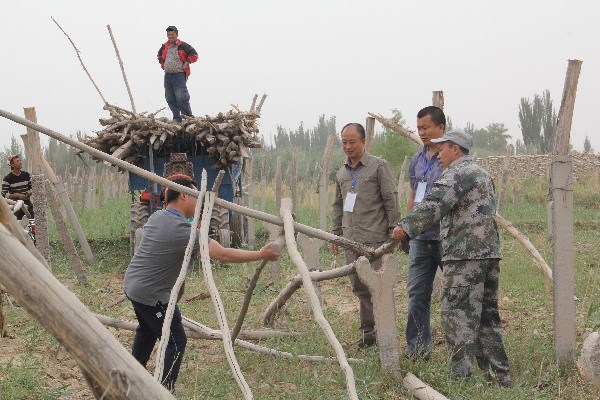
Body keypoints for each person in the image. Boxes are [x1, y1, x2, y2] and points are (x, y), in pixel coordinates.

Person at [124, 176, 280, 390]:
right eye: (197, 195)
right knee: (176, 341)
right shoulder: (181, 230)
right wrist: (261, 253)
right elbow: (223, 254)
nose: (200, 200)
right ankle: (162, 390)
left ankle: (133, 376)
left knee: (147, 330)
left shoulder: (158, 216)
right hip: (151, 295)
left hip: (134, 286)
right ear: (184, 195)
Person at [391, 129, 512, 387]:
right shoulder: (482, 173)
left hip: (464, 257)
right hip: (489, 254)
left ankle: (460, 379)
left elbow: (433, 206)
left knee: (457, 314)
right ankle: (499, 376)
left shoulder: (456, 174)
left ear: (455, 149)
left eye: (442, 149)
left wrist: (405, 227)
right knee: (486, 316)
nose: (438, 156)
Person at [331, 123, 399, 348]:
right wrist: (336, 235)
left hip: (375, 240)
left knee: (378, 288)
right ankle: (368, 336)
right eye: (344, 142)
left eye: (352, 141)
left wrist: (394, 233)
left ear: (363, 142)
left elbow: (390, 198)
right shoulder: (342, 172)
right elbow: (338, 205)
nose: (348, 146)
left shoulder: (378, 166)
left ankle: (386, 334)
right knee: (360, 288)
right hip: (351, 240)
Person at [404, 106, 445, 359]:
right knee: (417, 295)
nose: (421, 132)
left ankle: (460, 354)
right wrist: (408, 227)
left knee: (455, 297)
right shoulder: (418, 159)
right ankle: (417, 350)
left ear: (440, 128)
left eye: (426, 127)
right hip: (421, 239)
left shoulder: (450, 158)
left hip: (446, 238)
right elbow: (413, 194)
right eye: (419, 128)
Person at [157, 26, 198, 122]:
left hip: (179, 74)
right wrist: (162, 63)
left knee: (181, 97)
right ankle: (177, 118)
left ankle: (187, 117)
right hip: (167, 75)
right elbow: (159, 55)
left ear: (177, 35)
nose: (170, 36)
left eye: (172, 34)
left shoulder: (183, 45)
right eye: (169, 35)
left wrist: (187, 62)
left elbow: (194, 55)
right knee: (170, 97)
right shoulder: (164, 46)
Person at [2, 155, 34, 220]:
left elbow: (31, 187)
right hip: (15, 206)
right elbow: (4, 194)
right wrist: (18, 195)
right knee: (18, 226)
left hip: (27, 204)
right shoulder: (7, 178)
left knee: (31, 223)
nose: (20, 162)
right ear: (12, 165)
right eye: (17, 161)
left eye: (20, 160)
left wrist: (29, 193)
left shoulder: (26, 175)